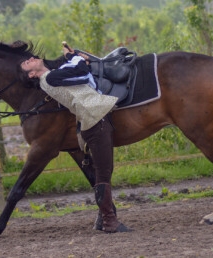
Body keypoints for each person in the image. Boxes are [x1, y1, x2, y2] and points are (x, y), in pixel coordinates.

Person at [19, 44, 131, 233]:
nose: (29, 59)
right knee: (103, 173)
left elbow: (80, 72)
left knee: (104, 171)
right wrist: (73, 56)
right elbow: (80, 69)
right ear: (31, 75)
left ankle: (104, 220)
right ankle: (109, 222)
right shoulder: (50, 78)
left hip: (97, 119)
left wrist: (75, 58)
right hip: (95, 121)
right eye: (26, 63)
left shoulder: (55, 75)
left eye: (29, 58)